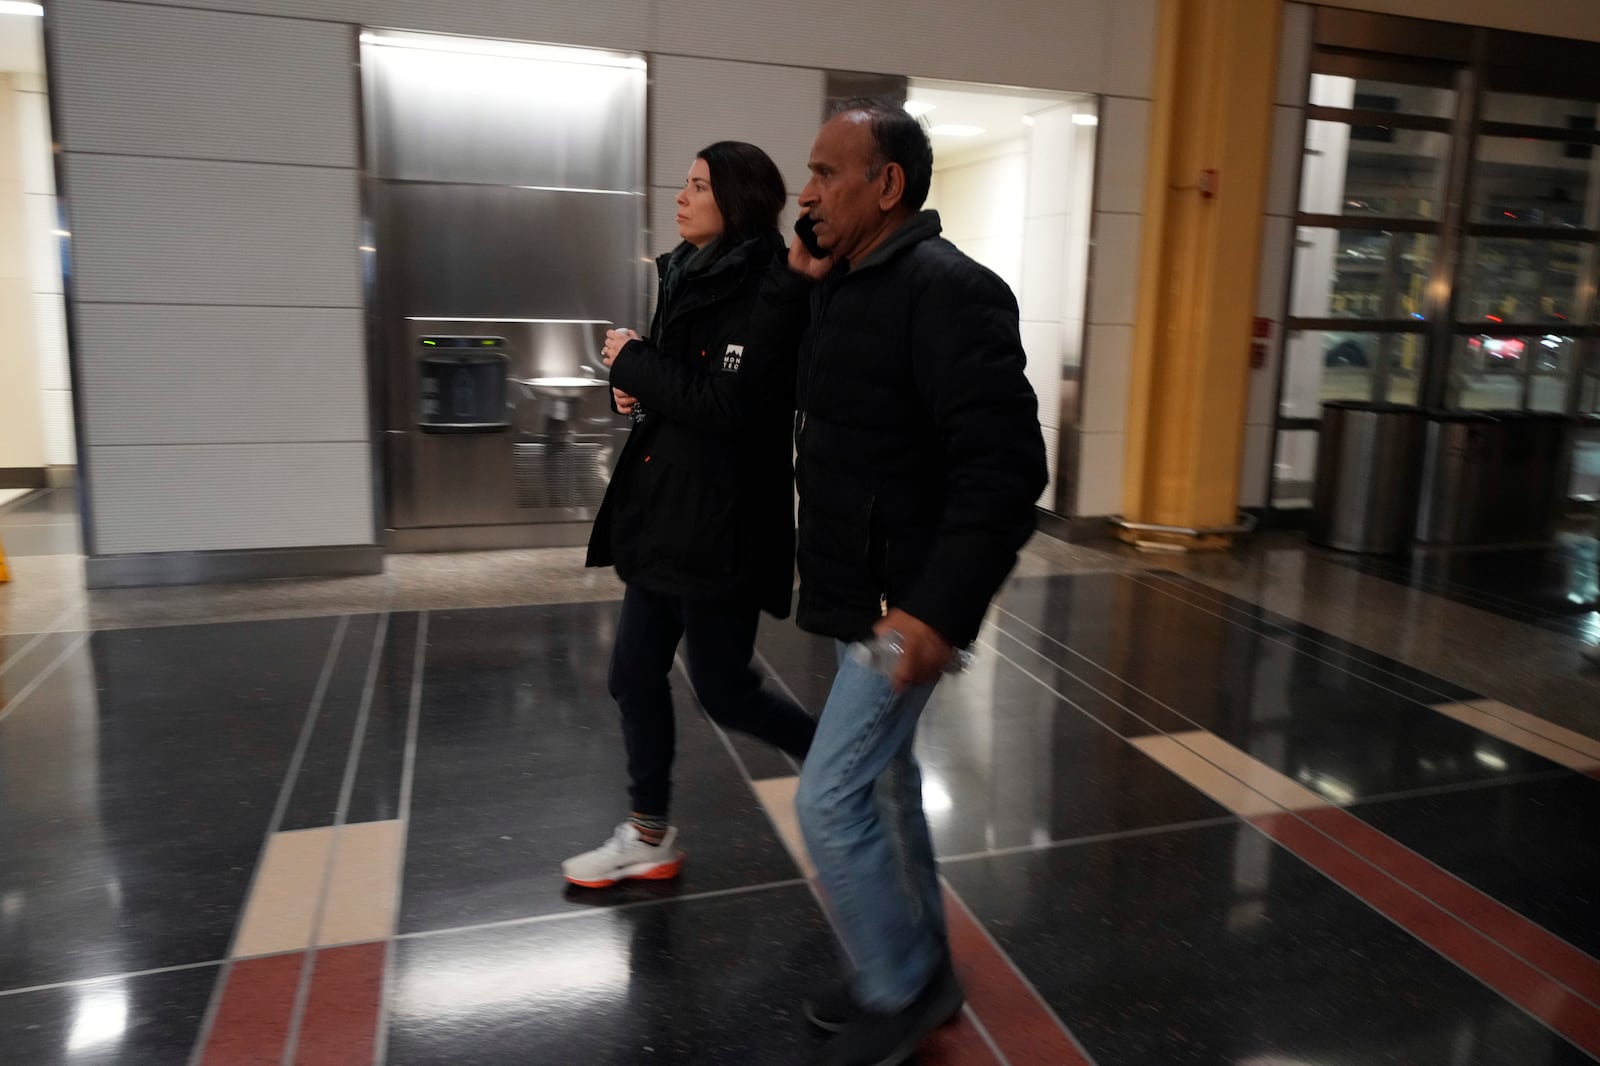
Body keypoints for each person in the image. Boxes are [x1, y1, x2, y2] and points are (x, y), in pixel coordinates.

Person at [782, 102, 1048, 1065]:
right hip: (865, 586)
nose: (805, 193)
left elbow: (1006, 466)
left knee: (829, 798)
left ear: (886, 185)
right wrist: (810, 280)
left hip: (905, 600)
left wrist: (936, 611)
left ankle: (896, 987)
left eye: (824, 173)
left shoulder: (949, 291)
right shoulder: (852, 285)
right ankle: (923, 969)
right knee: (887, 788)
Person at [566, 142, 816, 889]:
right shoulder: (686, 271)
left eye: (698, 185)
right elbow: (685, 387)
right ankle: (648, 834)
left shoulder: (772, 286)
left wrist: (637, 363)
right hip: (664, 512)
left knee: (722, 688)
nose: (681, 196)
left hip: (722, 524)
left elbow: (729, 407)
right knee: (632, 674)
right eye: (684, 182)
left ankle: (845, 761)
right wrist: (635, 391)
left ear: (734, 201)